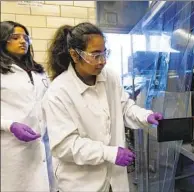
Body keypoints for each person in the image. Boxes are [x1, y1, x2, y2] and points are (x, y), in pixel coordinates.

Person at [42, 22, 163, 192]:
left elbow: (124, 106)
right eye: (95, 55)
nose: (103, 61)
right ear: (75, 55)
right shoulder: (58, 92)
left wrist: (145, 116)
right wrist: (109, 153)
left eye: (104, 53)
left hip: (114, 179)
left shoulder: (109, 77)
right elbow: (64, 145)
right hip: (82, 183)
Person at [0, 21, 51, 191]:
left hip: (42, 146)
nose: (23, 41)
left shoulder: (38, 71)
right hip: (11, 149)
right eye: (15, 37)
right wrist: (10, 125)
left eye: (26, 37)